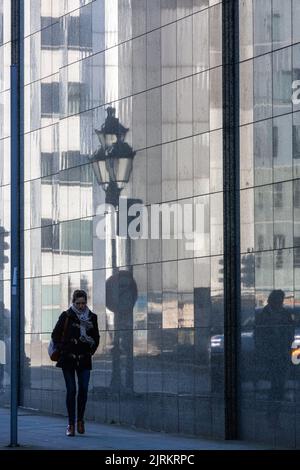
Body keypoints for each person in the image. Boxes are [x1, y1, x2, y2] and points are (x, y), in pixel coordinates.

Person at [51, 290, 100, 436]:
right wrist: (63, 348)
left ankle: (80, 420)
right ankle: (71, 424)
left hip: (84, 359)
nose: (80, 306)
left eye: (83, 303)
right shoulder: (66, 316)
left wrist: (90, 349)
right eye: (78, 303)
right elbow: (55, 334)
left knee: (83, 390)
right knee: (71, 390)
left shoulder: (92, 317)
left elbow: (96, 337)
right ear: (73, 302)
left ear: (86, 302)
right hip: (68, 359)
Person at [255, 290, 294, 426]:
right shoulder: (263, 315)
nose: (280, 302)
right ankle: (272, 416)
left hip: (282, 354)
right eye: (279, 300)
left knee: (279, 386)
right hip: (271, 356)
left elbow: (291, 333)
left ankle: (274, 415)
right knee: (275, 386)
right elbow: (259, 337)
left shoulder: (285, 314)